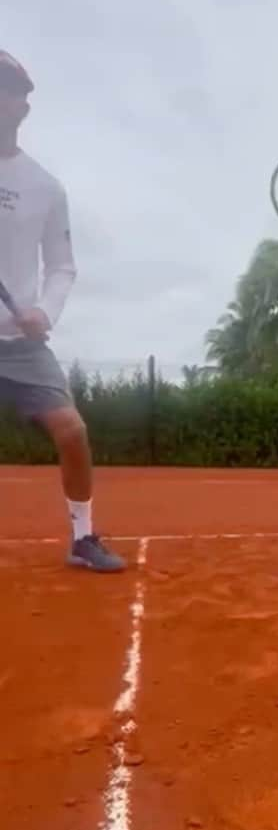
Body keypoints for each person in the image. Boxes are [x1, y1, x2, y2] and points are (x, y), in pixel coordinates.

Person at [0, 50, 125, 571]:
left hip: (21, 343)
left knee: (72, 431)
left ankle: (82, 538)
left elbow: (62, 267)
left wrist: (42, 315)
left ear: (21, 106)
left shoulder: (45, 187)